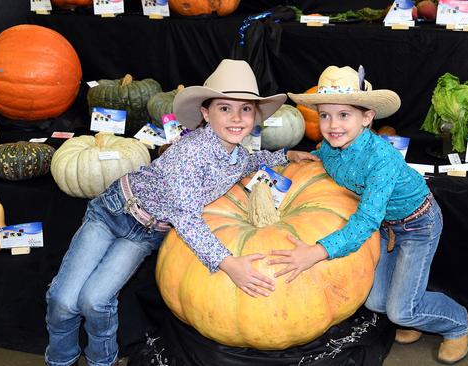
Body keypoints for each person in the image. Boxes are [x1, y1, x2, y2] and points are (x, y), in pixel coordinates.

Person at [45, 59, 317, 366]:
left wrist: (285, 155)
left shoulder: (238, 154)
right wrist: (228, 263)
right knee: (63, 300)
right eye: (225, 109)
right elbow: (187, 217)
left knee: (96, 301)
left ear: (255, 116)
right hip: (113, 212)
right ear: (205, 113)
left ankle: (100, 361)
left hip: (147, 233)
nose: (236, 118)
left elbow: (252, 161)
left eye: (245, 109)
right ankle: (61, 359)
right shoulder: (190, 153)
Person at [270, 65, 468, 364]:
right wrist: (296, 156)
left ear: (366, 117)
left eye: (344, 115)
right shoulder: (330, 146)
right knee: (376, 301)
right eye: (325, 115)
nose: (332, 125)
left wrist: (317, 251)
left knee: (401, 309)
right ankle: (413, 318)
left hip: (418, 224)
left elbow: (366, 220)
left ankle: (458, 324)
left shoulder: (382, 159)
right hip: (386, 227)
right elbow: (322, 160)